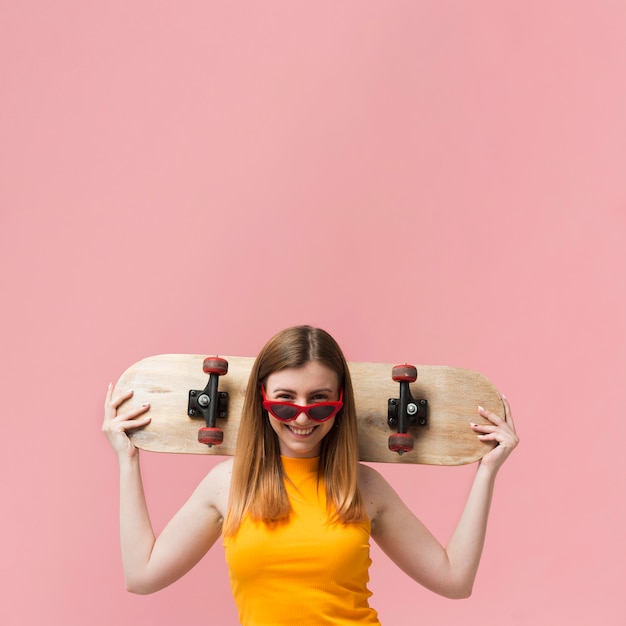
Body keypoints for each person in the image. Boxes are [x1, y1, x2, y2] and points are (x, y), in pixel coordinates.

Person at [102, 325, 518, 625]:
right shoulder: (227, 485)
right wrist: (128, 461)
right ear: (263, 401)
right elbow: (142, 575)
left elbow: (454, 579)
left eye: (318, 401)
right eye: (286, 401)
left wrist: (487, 472)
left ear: (339, 403)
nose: (302, 416)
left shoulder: (363, 487)